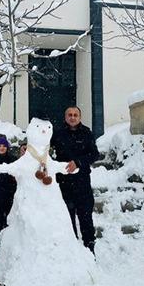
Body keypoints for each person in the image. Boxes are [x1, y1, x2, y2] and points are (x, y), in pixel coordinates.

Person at [51, 106, 100, 253]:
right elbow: (46, 150)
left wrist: (78, 162)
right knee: (67, 218)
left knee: (85, 217)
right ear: (65, 117)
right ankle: (72, 252)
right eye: (70, 115)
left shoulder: (86, 133)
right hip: (64, 183)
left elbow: (94, 154)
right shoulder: (58, 134)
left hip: (82, 182)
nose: (72, 117)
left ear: (80, 117)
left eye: (75, 115)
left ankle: (89, 248)